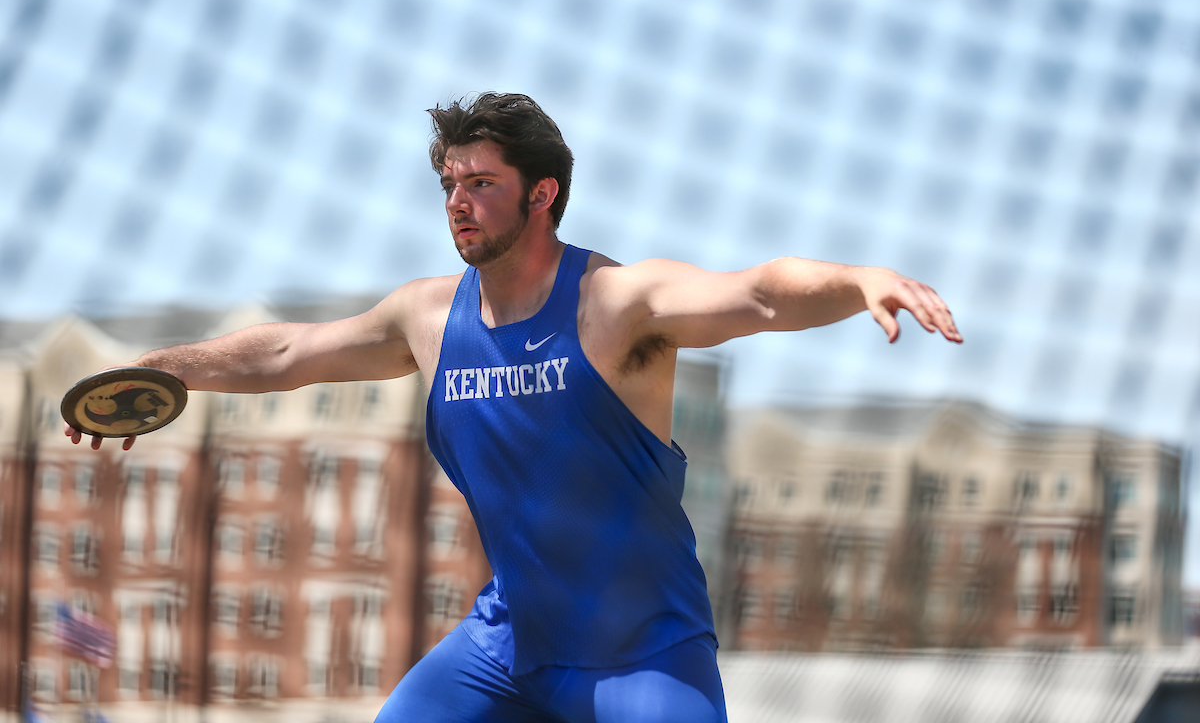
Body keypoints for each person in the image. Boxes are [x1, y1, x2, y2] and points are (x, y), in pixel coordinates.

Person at [66, 93, 961, 722]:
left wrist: (857, 281)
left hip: (641, 655)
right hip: (507, 647)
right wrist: (161, 372)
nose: (457, 203)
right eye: (449, 185)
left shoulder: (614, 305)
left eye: (481, 183)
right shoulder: (426, 317)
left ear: (543, 195)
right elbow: (289, 351)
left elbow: (761, 295)